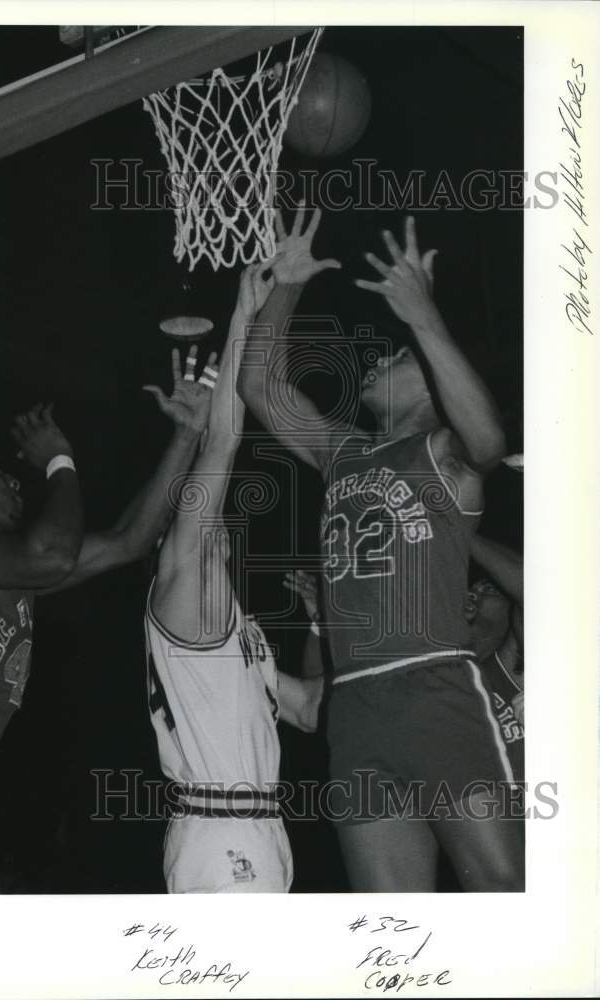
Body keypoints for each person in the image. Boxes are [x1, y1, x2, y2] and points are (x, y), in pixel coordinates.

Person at [238, 206, 523, 891]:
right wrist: (286, 286)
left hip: (434, 687)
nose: (377, 361)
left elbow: (488, 442)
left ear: (431, 385)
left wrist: (423, 319)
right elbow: (259, 387)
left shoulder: (443, 452)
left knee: (503, 895)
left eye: (396, 359)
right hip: (356, 706)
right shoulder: (342, 450)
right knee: (391, 920)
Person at [0, 355, 214, 894]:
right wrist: (59, 460)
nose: (9, 477)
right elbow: (53, 555)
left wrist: (187, 435)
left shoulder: (2, 571)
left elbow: (129, 541)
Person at [145, 264, 323, 893]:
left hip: (256, 828)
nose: (209, 517)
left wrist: (321, 626)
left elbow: (310, 711)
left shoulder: (238, 632)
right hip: (222, 830)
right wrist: (245, 314)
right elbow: (224, 444)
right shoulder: (183, 597)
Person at [466, 535, 524, 779]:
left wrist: (458, 533)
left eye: (489, 589)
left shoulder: (517, 663)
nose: (473, 594)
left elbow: (535, 588)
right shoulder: (448, 676)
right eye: (471, 589)